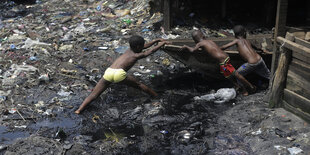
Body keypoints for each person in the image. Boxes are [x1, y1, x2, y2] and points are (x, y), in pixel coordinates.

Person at [75, 35, 169, 114]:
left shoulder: (129, 50)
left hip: (109, 71)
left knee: (93, 94)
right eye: (141, 46)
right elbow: (150, 51)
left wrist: (156, 40)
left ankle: (79, 110)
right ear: (137, 47)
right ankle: (157, 96)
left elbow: (145, 46)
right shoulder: (136, 55)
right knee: (139, 85)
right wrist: (161, 44)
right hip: (118, 74)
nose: (143, 46)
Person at [182, 30, 256, 95]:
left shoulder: (200, 44)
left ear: (195, 40)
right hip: (225, 57)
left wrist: (186, 47)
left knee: (236, 74)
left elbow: (192, 50)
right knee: (227, 75)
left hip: (223, 61)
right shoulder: (209, 41)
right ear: (204, 36)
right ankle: (237, 86)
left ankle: (249, 87)